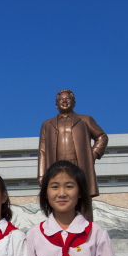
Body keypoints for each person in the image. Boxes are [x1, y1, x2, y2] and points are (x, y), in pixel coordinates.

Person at [38, 90, 108, 220]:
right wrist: (42, 175)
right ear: (56, 105)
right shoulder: (47, 124)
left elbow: (102, 137)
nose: (64, 101)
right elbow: (42, 150)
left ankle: (87, 234)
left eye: (68, 99)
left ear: (74, 103)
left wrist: (92, 155)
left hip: (79, 165)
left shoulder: (85, 120)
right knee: (58, 201)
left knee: (83, 203)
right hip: (56, 167)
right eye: (60, 100)